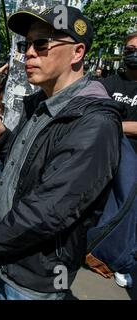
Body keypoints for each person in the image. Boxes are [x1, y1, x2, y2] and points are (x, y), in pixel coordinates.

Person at [0, 5, 122, 300]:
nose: (29, 53)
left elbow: (50, 208)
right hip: (9, 261)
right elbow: (31, 169)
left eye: (42, 44)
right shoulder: (41, 102)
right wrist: (4, 139)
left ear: (77, 53)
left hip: (36, 279)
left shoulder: (94, 122)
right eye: (26, 45)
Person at [98, 31, 137, 289]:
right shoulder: (108, 83)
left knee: (127, 214)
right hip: (104, 157)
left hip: (132, 163)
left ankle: (124, 262)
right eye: (129, 49)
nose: (132, 54)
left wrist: (112, 124)